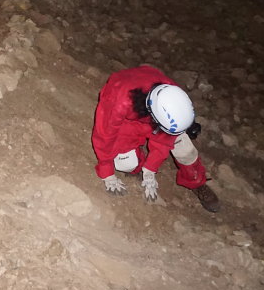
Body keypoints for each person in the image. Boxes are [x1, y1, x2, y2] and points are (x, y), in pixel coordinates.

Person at [91, 65, 220, 213]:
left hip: (155, 114)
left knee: (185, 150)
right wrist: (106, 170)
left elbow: (163, 140)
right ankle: (137, 168)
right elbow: (104, 135)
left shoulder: (172, 98)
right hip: (130, 120)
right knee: (126, 163)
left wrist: (151, 169)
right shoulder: (119, 101)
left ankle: (196, 181)